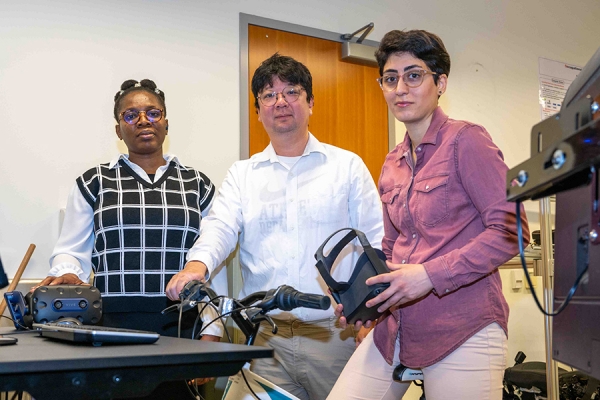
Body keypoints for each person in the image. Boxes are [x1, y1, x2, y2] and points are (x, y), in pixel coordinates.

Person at [166, 53, 384, 400]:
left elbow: (375, 243)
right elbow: (220, 226)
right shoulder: (242, 174)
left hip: (335, 337)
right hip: (265, 339)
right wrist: (196, 265)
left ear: (310, 102)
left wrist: (373, 316)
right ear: (258, 111)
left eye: (292, 92)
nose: (280, 102)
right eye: (269, 95)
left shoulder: (347, 167)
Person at [329, 30, 530, 400]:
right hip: (396, 326)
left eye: (414, 75)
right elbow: (391, 248)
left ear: (440, 83)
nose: (400, 88)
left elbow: (512, 231)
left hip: (462, 326)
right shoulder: (392, 161)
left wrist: (428, 276)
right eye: (390, 79)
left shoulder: (468, 141)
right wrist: (367, 300)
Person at [35, 79, 220, 398]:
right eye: (131, 115)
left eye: (153, 112)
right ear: (119, 130)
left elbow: (212, 257)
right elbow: (71, 252)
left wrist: (213, 330)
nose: (144, 120)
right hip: (110, 327)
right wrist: (67, 272)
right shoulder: (94, 183)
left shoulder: (198, 185)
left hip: (180, 326)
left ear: (166, 122)